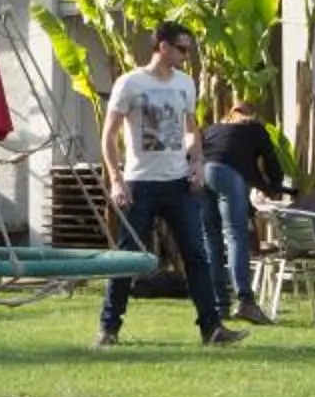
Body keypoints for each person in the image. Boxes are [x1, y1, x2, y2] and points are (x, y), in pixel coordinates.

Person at [94, 22, 245, 349]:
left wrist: (197, 163)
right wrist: (116, 179)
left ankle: (212, 329)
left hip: (178, 184)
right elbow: (108, 135)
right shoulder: (130, 83)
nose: (186, 55)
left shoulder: (185, 84)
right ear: (162, 46)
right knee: (126, 258)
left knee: (196, 255)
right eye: (181, 49)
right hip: (139, 183)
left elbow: (191, 129)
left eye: (188, 49)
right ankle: (108, 329)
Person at [196, 95, 289, 324]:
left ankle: (219, 304)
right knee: (236, 235)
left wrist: (265, 187)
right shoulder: (255, 129)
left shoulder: (213, 129)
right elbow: (271, 161)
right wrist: (275, 187)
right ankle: (245, 300)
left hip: (203, 174)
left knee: (211, 238)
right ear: (252, 115)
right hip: (227, 176)